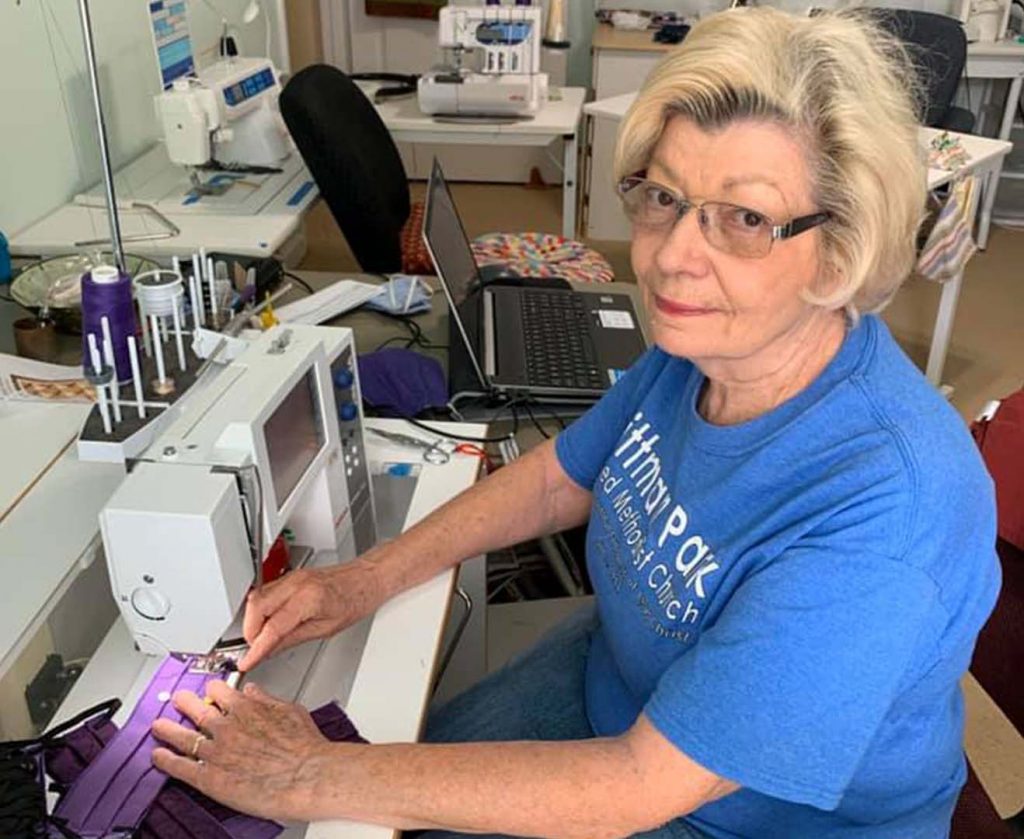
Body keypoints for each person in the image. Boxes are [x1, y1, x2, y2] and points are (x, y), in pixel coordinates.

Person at [151, 8, 1001, 838]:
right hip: (621, 685)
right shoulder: (701, 350)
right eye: (663, 196)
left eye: (743, 218)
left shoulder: (891, 504)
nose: (670, 256)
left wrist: (306, 771)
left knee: (346, 789)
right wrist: (360, 581)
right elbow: (564, 473)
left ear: (841, 245)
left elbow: (639, 785)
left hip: (728, 812)